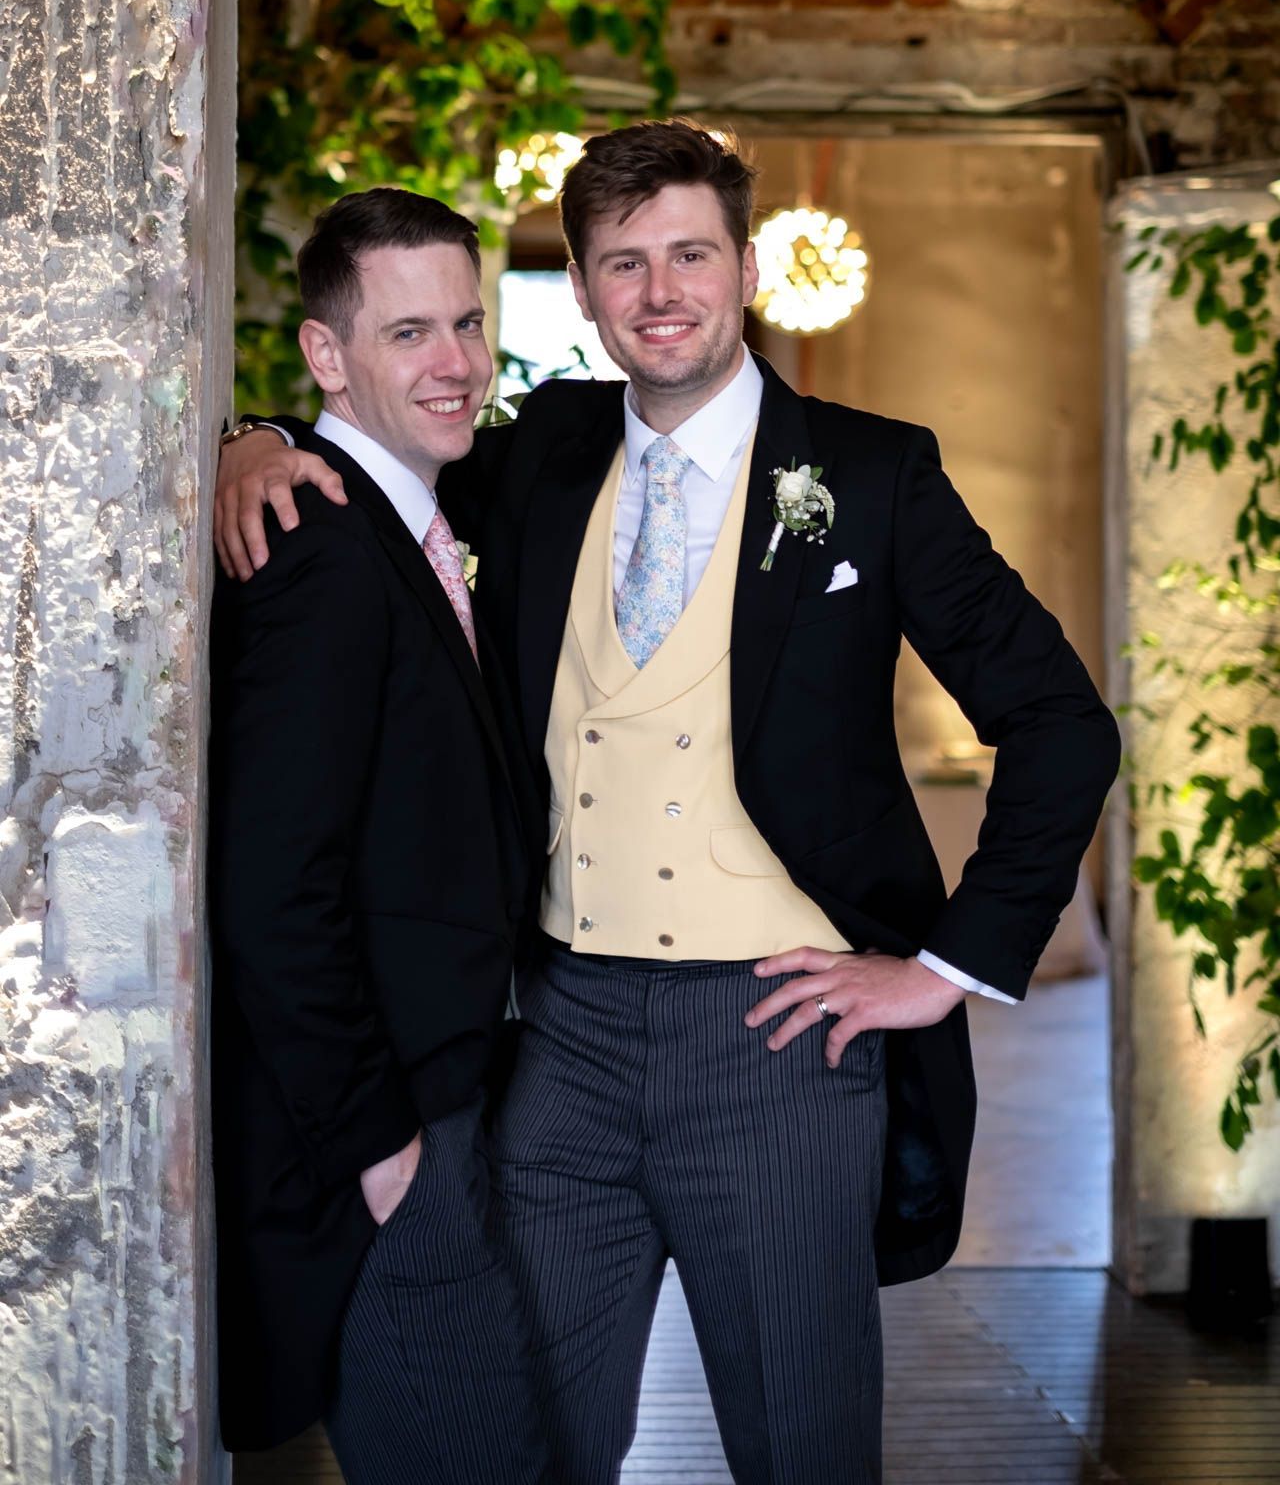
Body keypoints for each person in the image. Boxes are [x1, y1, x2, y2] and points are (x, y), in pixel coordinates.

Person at [215, 121, 1121, 1485]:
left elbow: (1062, 724)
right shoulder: (544, 456)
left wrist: (945, 967)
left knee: (800, 1449)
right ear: (579, 292)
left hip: (774, 1044)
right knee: (536, 1447)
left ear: (746, 267)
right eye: (621, 264)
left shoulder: (867, 480)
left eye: (692, 253)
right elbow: (378, 441)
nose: (661, 293)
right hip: (559, 1045)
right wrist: (248, 443)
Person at [209, 188, 548, 1483]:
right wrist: (381, 1148)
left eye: (467, 322)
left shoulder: (416, 516)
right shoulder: (321, 546)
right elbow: (270, 886)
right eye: (408, 334)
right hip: (387, 1130)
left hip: (451, 1102)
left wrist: (248, 434)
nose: (454, 362)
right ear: (325, 353)